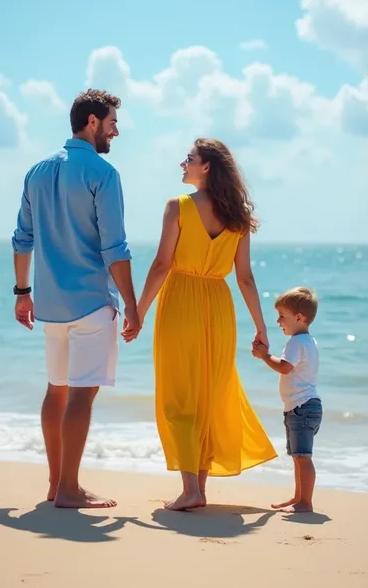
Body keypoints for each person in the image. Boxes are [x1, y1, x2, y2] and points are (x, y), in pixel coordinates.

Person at [12, 88, 140, 509]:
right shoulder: (103, 174)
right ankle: (69, 489)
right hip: (90, 302)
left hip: (49, 305)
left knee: (56, 391)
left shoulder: (36, 170)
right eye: (111, 124)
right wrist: (133, 307)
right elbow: (114, 248)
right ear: (91, 121)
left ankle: (55, 483)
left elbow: (22, 239)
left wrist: (22, 293)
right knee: (81, 396)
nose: (115, 132)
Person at [137, 138, 277, 511]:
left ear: (207, 167)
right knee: (208, 396)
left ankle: (191, 490)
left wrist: (139, 311)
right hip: (219, 306)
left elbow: (162, 265)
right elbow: (244, 277)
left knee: (180, 396)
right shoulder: (238, 216)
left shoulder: (177, 207)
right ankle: (197, 488)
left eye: (189, 159)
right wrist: (261, 327)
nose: (182, 164)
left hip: (181, 301)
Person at [252, 286, 322, 513]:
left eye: (282, 316)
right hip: (301, 407)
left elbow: (284, 368)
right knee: (298, 456)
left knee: (302, 457)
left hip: (302, 408)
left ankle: (305, 503)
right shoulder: (309, 341)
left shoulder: (296, 343)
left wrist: (264, 355)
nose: (278, 321)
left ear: (299, 318)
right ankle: (298, 498)